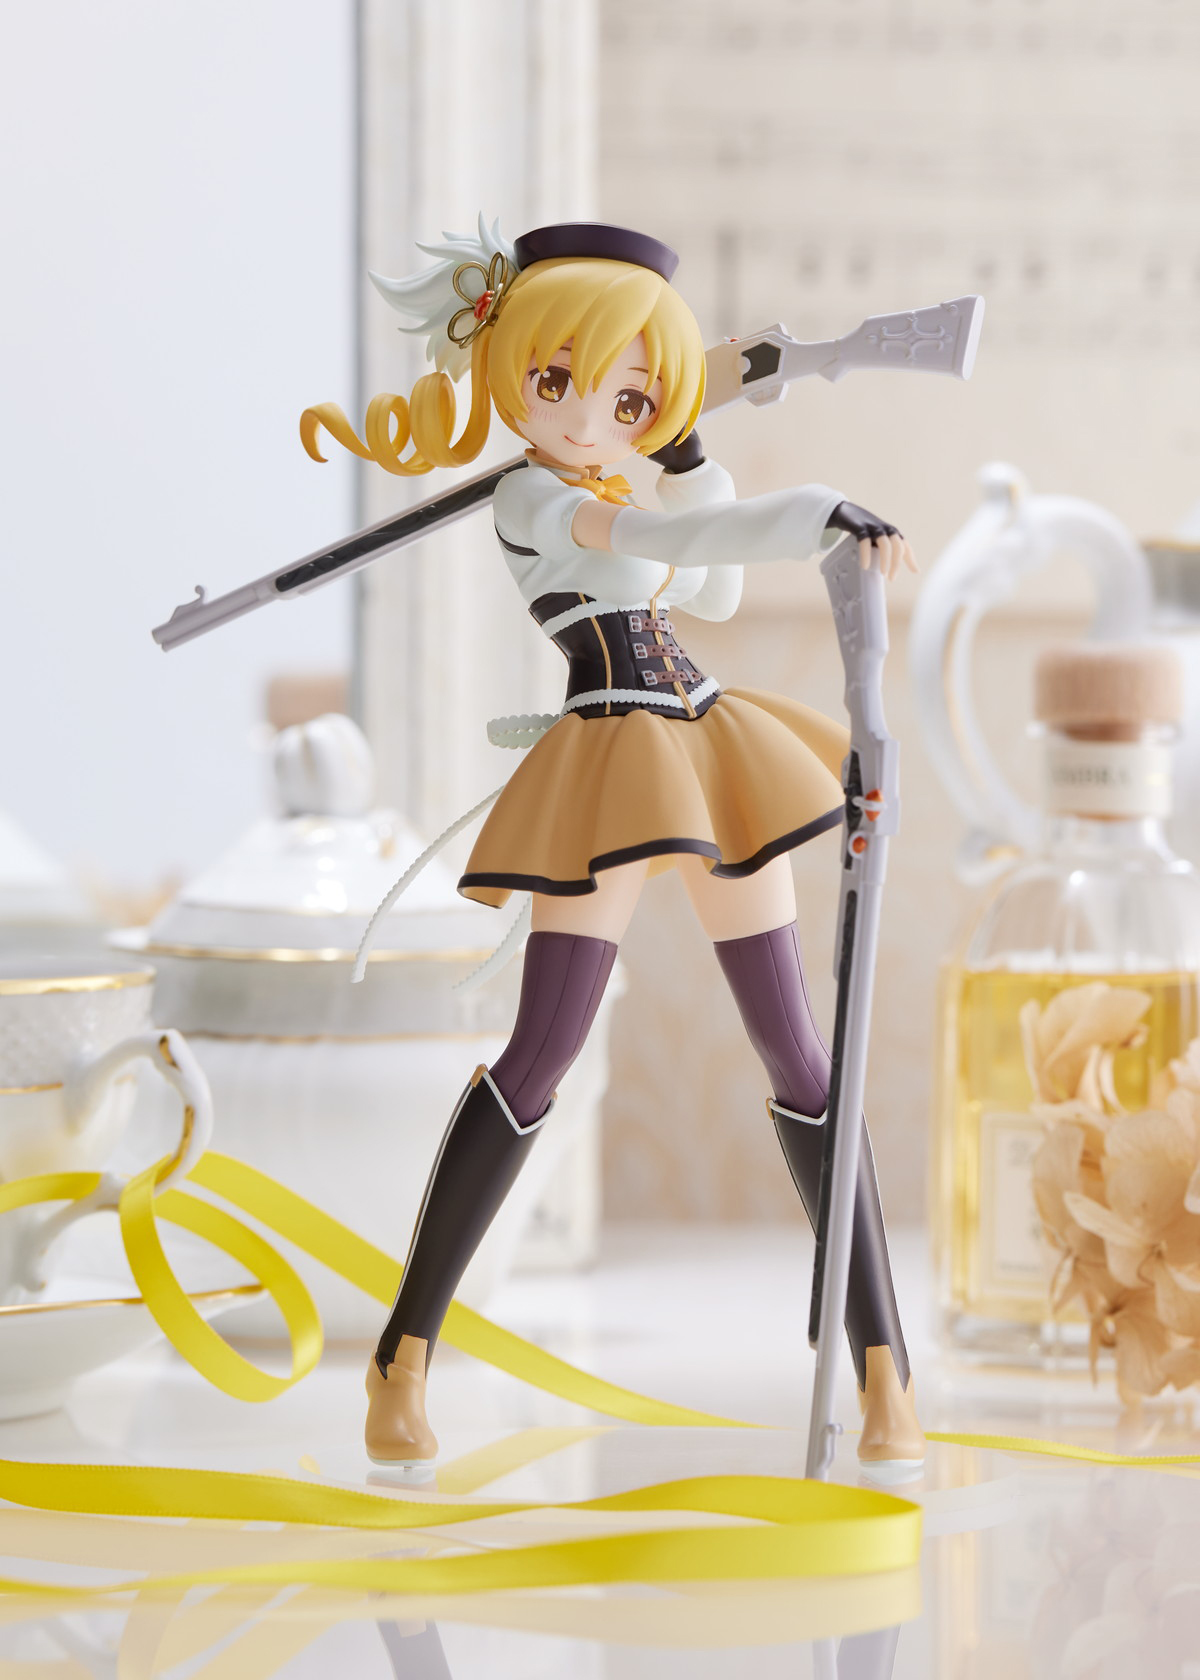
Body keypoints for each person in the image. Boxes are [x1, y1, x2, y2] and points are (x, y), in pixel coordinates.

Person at [301, 218, 925, 1478]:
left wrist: (684, 450)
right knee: (541, 1054)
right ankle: (402, 1356)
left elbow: (712, 595)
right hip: (608, 760)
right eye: (560, 383)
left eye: (629, 397)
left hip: (706, 740)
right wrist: (816, 510)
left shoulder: (622, 482)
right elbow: (674, 550)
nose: (593, 418)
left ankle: (881, 1365)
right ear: (513, 370)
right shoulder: (535, 497)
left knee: (802, 1050)